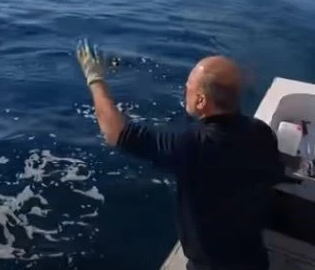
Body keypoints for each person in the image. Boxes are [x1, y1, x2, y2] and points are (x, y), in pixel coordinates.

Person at [75, 40, 284, 270]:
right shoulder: (261, 132)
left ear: (201, 101)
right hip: (254, 261)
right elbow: (273, 174)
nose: (185, 89)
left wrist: (95, 79)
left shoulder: (191, 145)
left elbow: (115, 133)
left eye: (189, 86)